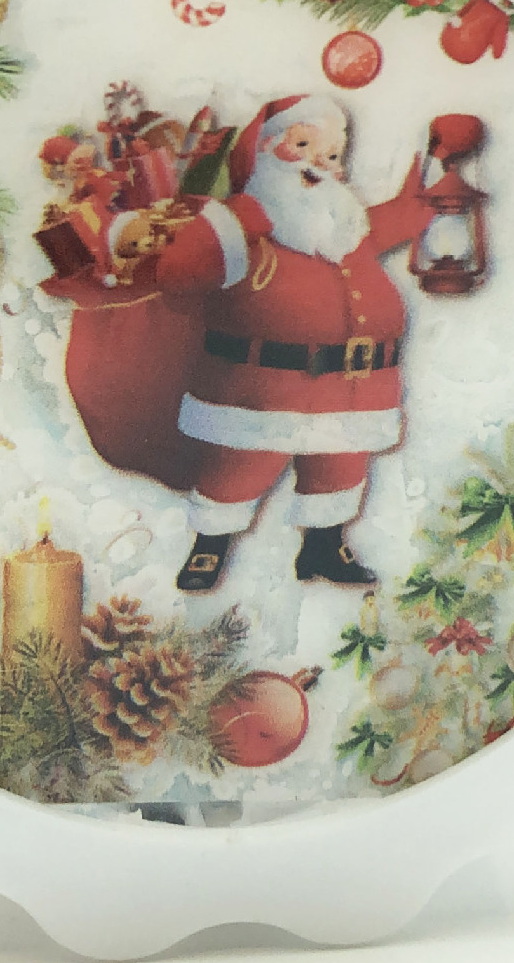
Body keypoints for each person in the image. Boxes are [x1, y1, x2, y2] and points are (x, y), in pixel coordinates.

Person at [153, 92, 449, 592]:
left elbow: (398, 217)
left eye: (331, 154)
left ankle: (324, 547)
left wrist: (436, 168)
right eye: (304, 144)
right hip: (261, 391)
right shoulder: (240, 225)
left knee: (340, 466)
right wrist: (233, 220)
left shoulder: (345, 226)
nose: (317, 162)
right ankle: (210, 546)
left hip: (352, 389)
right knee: (240, 468)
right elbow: (176, 275)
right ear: (265, 149)